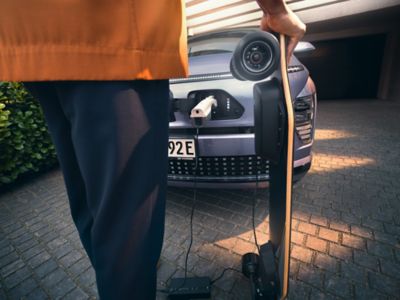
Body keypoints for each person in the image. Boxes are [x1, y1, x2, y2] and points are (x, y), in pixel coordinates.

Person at [0, 0, 305, 299]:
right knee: (127, 232)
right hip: (118, 36)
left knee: (91, 208)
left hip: (31, 38)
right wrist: (275, 9)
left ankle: (122, 278)